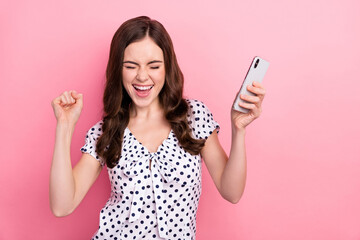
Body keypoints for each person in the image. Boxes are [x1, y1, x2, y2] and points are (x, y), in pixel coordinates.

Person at [50, 16, 266, 240]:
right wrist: (65, 127)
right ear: (118, 70)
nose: (142, 76)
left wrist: (238, 129)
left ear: (167, 68)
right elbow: (62, 206)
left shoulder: (194, 117)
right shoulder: (107, 131)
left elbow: (231, 192)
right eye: (131, 66)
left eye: (154, 66)